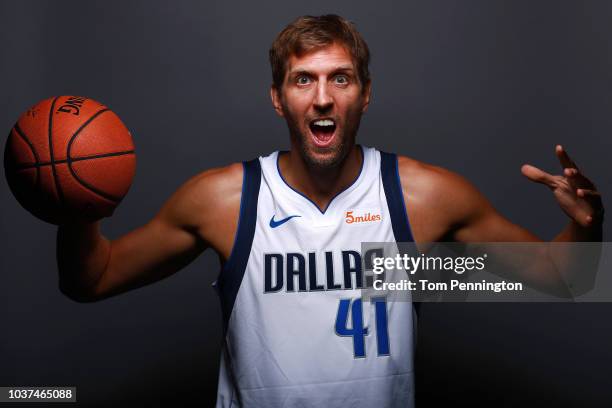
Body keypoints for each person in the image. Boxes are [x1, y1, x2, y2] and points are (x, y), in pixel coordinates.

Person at [57, 15, 604, 408]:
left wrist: (587, 228)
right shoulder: (226, 201)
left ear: (364, 94)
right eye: (304, 79)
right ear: (278, 98)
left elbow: (562, 279)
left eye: (340, 78)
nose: (322, 98)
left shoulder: (419, 198)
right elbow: (93, 279)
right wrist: (75, 200)